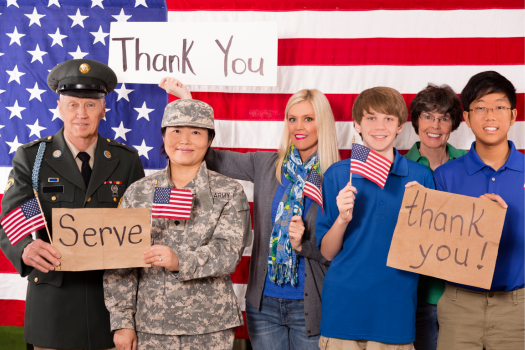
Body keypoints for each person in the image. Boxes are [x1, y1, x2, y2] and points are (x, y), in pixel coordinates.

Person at [159, 77, 340, 350]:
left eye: (307, 119)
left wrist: (303, 245)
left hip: (312, 305)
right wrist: (188, 101)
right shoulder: (267, 164)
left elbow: (337, 251)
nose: (298, 127)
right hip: (264, 305)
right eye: (292, 119)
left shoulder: (337, 176)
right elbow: (206, 155)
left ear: (322, 123)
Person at [0, 59, 145, 350]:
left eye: (91, 105)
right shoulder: (33, 159)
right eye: (73, 104)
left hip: (110, 307)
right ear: (59, 107)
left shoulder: (126, 161)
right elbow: (13, 218)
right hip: (54, 306)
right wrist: (25, 248)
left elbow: (141, 224)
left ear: (104, 109)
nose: (82, 113)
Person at [103, 99, 252, 350]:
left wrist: (180, 261)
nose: (185, 140)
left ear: (209, 139)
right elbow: (121, 262)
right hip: (150, 327)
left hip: (209, 328)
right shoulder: (138, 192)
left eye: (196, 132)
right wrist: (122, 321)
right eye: (176, 130)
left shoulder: (229, 191)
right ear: (163, 136)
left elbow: (229, 252)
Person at [316, 87, 435, 350]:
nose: (379, 126)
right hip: (343, 312)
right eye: (371, 118)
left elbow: (431, 250)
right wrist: (342, 220)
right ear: (356, 124)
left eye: (388, 119)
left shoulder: (420, 177)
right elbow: (327, 252)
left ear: (400, 127)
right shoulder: (338, 175)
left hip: (394, 314)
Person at [433, 71, 524, 350]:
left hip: (517, 308)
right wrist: (473, 223)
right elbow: (434, 247)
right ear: (468, 118)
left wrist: (504, 221)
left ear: (513, 115)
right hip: (460, 305)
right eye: (481, 108)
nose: (490, 115)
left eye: (499, 106)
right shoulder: (445, 176)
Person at [404, 84, 467, 350]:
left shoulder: (470, 163)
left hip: (462, 294)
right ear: (416, 120)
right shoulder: (399, 168)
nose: (436, 125)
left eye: (444, 118)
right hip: (417, 295)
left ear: (453, 124)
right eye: (428, 116)